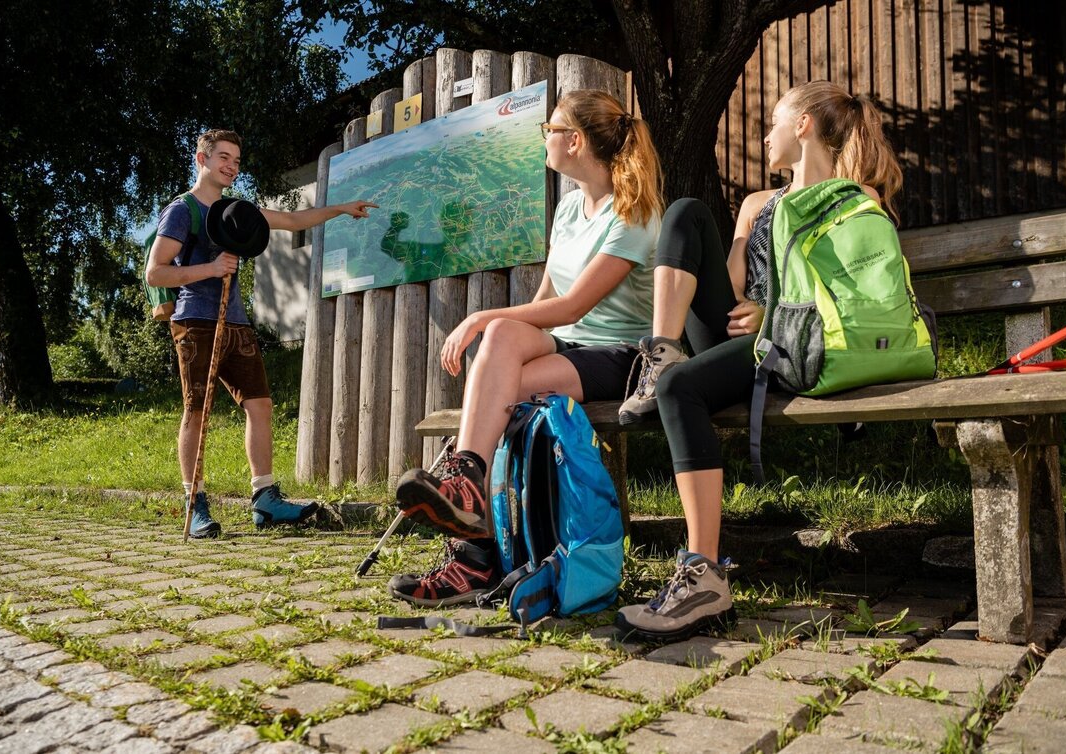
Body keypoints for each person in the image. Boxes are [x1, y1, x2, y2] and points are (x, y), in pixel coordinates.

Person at [615, 81, 903, 640]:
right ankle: (662, 352)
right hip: (740, 333)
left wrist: (770, 316)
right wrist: (741, 306)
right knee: (685, 212)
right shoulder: (755, 204)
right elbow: (727, 287)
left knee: (681, 391)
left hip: (795, 339)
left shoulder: (854, 199)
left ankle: (704, 578)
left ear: (803, 127)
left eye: (774, 121)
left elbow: (861, 293)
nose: (765, 133)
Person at [387, 90, 665, 606]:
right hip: (569, 345)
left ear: (574, 141)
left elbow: (574, 306)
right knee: (502, 343)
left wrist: (479, 317)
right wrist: (501, 333)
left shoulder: (634, 214)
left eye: (550, 130)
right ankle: (469, 483)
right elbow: (545, 300)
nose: (547, 139)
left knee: (498, 388)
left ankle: (474, 558)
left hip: (620, 355)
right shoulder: (569, 209)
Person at [145, 128, 377, 538]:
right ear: (202, 159)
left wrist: (340, 208)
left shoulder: (239, 208)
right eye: (223, 157)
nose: (231, 166)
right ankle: (195, 501)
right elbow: (156, 270)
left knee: (260, 405)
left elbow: (290, 220)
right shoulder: (182, 210)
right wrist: (212, 269)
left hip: (236, 323)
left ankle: (264, 500)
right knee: (197, 410)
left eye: (236, 160)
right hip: (195, 321)